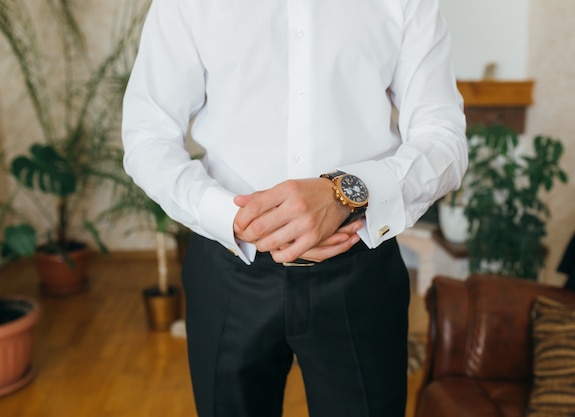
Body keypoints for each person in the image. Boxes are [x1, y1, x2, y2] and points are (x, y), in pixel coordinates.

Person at [122, 1, 467, 416]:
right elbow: (148, 137)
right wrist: (233, 217)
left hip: (360, 271)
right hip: (228, 269)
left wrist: (344, 192)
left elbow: (443, 138)